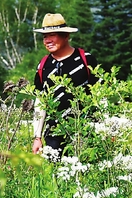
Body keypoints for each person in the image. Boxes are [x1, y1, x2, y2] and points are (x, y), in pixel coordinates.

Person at [31, 13, 98, 155]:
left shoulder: (85, 60)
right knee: (57, 174)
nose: (47, 40)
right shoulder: (43, 66)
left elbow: (100, 95)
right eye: (44, 37)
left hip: (86, 131)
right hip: (54, 135)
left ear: (66, 36)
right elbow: (40, 102)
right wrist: (37, 136)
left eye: (52, 35)